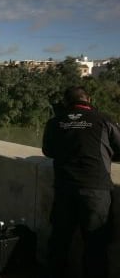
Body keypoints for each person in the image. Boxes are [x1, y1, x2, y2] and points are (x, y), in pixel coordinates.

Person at [42, 86, 120, 278]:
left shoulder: (55, 122)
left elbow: (48, 151)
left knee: (59, 243)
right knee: (96, 246)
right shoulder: (104, 119)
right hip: (96, 191)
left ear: (65, 102)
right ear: (89, 100)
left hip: (64, 188)